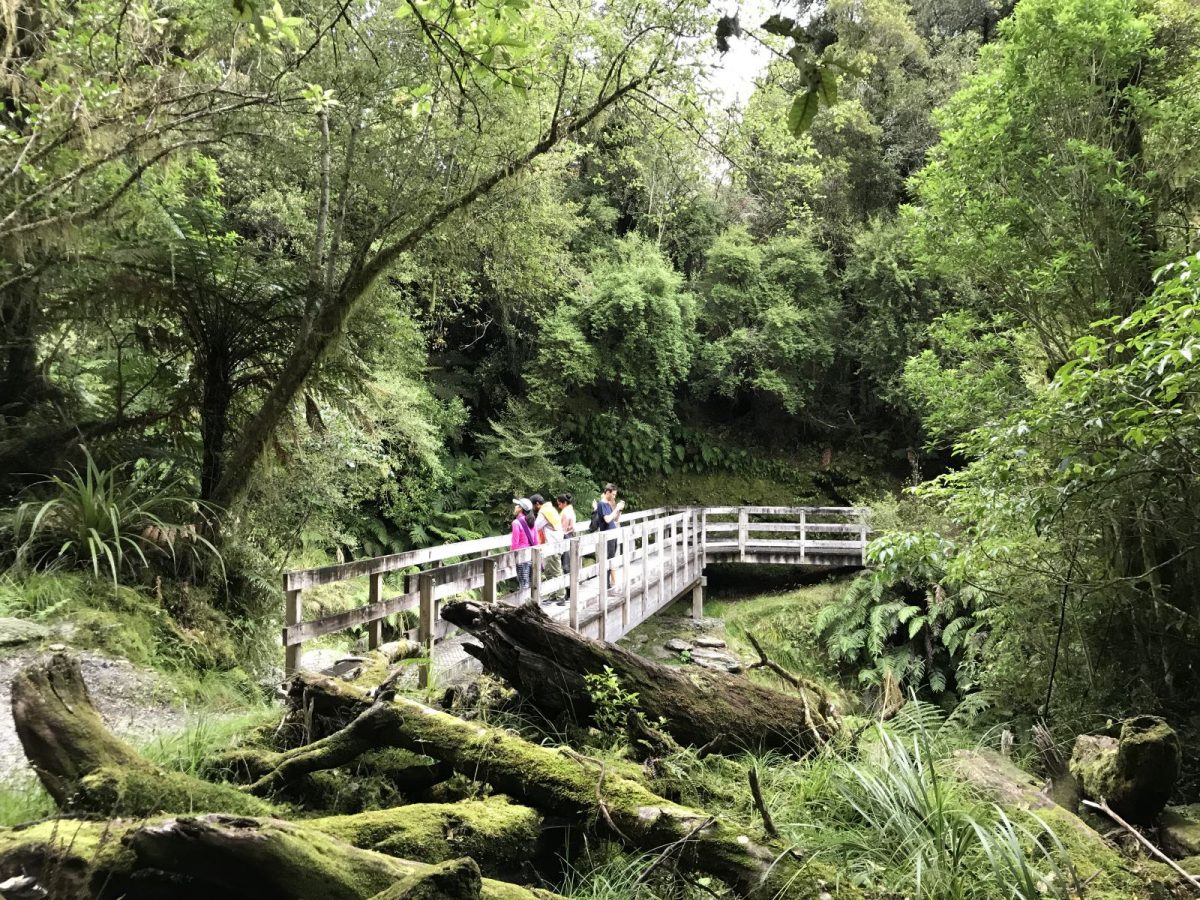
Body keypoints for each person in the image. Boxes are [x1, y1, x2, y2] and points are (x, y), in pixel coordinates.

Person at [531, 494, 564, 603]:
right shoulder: (550, 509)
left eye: (533, 506)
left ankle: (560, 597)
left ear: (537, 504)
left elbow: (536, 527)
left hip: (553, 545)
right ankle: (553, 595)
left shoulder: (544, 512)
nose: (532, 508)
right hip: (553, 543)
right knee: (549, 571)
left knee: (555, 571)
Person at [593, 483, 624, 592]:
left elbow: (614, 520)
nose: (614, 497)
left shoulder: (608, 504)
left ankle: (608, 584)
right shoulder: (601, 504)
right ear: (608, 492)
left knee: (611, 559)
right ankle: (606, 585)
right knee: (609, 560)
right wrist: (616, 509)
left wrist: (619, 511)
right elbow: (606, 519)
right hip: (607, 536)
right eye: (613, 494)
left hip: (613, 534)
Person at [510, 498, 537, 599]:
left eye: (517, 505)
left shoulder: (516, 523)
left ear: (520, 509)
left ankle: (525, 608)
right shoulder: (532, 522)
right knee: (530, 583)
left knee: (523, 584)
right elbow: (536, 541)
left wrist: (511, 559)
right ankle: (532, 605)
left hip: (522, 558)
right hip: (532, 556)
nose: (515, 507)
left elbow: (515, 544)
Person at [556, 493, 576, 601]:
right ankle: (570, 591)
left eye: (559, 504)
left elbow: (562, 530)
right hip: (571, 536)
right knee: (569, 564)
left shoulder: (565, 513)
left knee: (566, 565)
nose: (558, 506)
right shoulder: (571, 510)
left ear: (564, 503)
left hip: (565, 537)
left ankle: (568, 593)